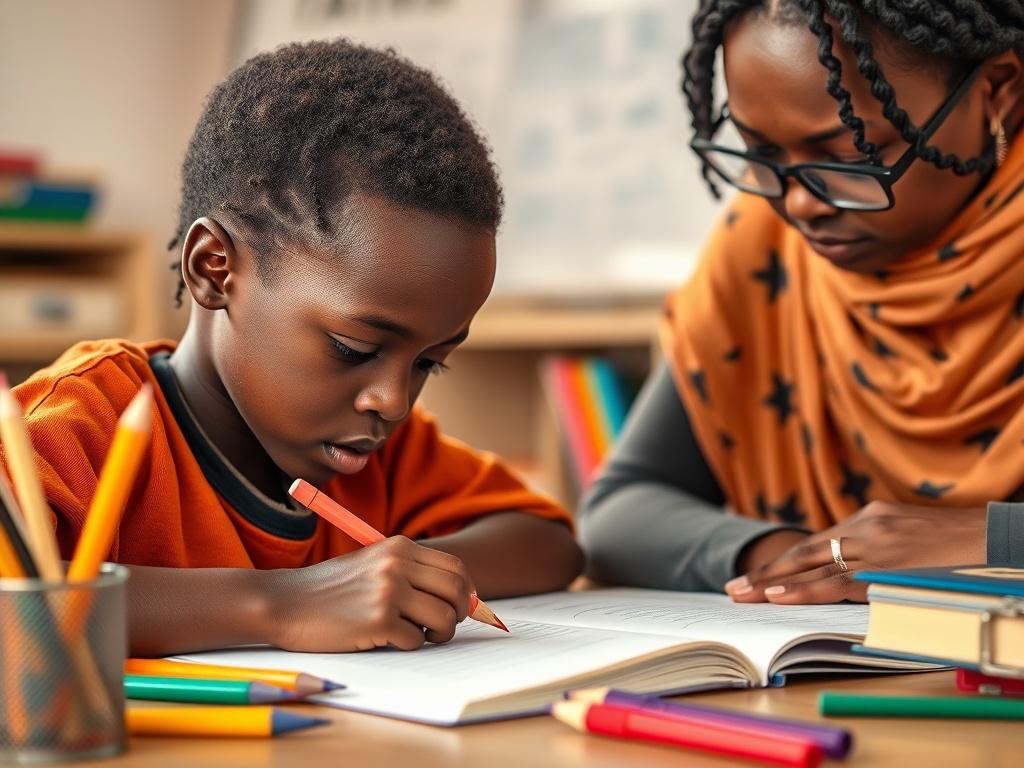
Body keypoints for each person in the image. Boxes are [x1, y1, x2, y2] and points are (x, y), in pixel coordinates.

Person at [2, 39, 581, 655]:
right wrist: (281, 603)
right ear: (214, 269)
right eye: (354, 348)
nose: (392, 401)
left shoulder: (375, 453)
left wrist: (406, 579)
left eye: (428, 364)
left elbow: (548, 541)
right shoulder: (78, 428)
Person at [579, 0, 1024, 604]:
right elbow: (619, 511)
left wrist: (991, 540)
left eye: (850, 156)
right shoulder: (765, 249)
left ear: (998, 91)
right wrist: (800, 558)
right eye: (762, 155)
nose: (799, 204)